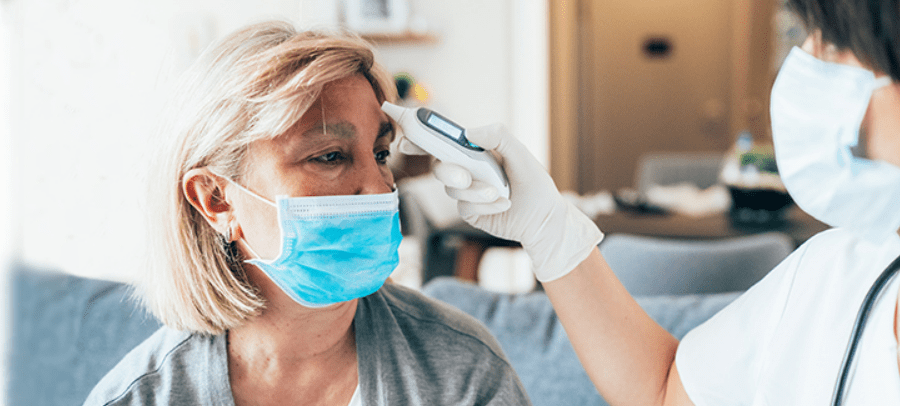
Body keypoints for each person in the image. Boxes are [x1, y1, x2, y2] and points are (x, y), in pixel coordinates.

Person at [418, 0, 900, 404]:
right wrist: (550, 229)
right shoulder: (838, 274)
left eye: (835, 43)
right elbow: (665, 388)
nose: (806, 60)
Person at [83, 20, 530, 406]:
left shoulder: (464, 374)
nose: (380, 187)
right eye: (330, 156)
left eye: (379, 153)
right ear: (216, 200)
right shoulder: (137, 397)